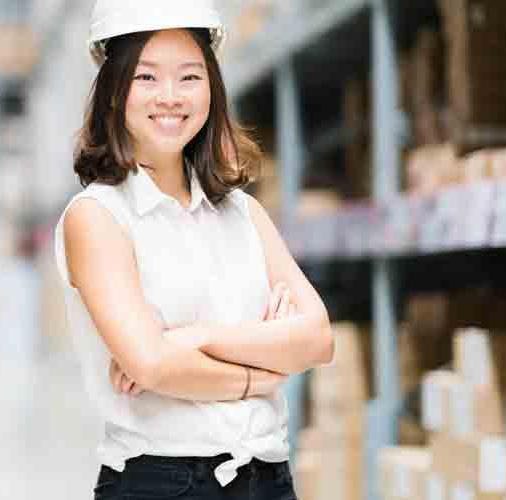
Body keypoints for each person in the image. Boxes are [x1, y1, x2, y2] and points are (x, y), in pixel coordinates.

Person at [54, 1, 334, 498]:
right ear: (113, 93)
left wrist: (194, 337)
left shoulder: (244, 215)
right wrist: (265, 372)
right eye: (146, 78)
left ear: (212, 89)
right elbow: (151, 365)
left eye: (189, 77)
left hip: (268, 476)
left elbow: (316, 339)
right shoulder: (97, 218)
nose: (170, 97)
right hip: (163, 482)